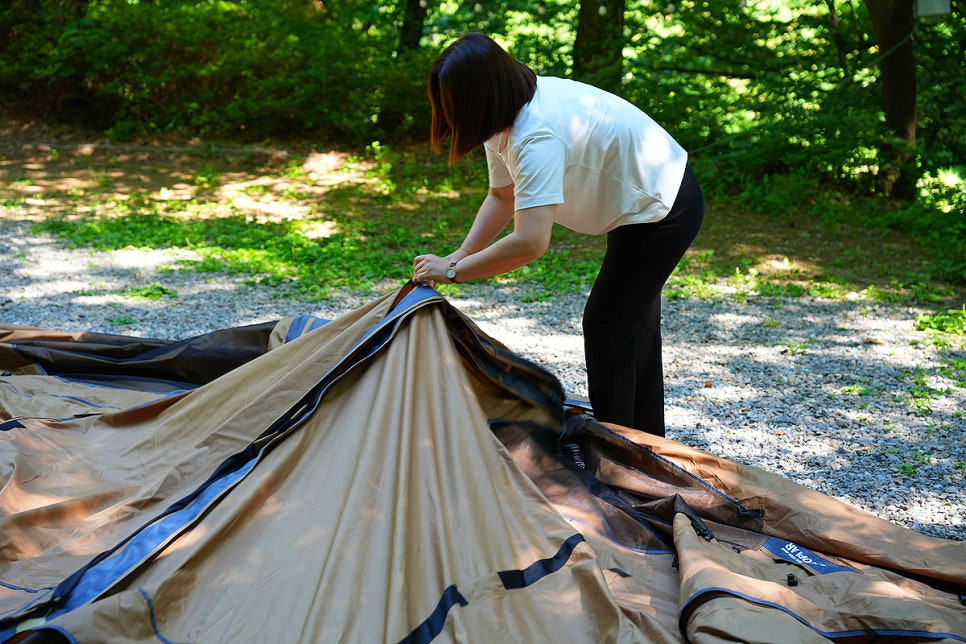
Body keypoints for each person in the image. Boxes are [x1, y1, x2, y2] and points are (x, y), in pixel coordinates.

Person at [412, 33, 704, 437]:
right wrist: (457, 256)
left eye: (454, 106)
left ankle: (619, 454)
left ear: (481, 98)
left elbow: (530, 242)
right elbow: (501, 195)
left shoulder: (536, 136)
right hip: (639, 202)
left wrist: (452, 273)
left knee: (607, 327)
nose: (450, 117)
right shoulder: (503, 120)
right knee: (631, 329)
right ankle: (646, 447)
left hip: (663, 203)